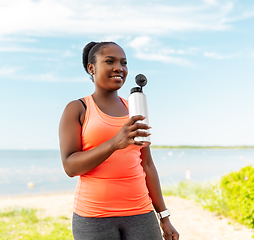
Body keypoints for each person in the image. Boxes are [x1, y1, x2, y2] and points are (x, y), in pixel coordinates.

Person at [59, 41, 179, 240]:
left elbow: (147, 164)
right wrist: (114, 143)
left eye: (124, 63)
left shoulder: (135, 109)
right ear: (91, 68)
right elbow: (70, 167)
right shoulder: (78, 109)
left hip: (141, 213)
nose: (119, 68)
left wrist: (164, 216)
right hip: (94, 217)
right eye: (109, 61)